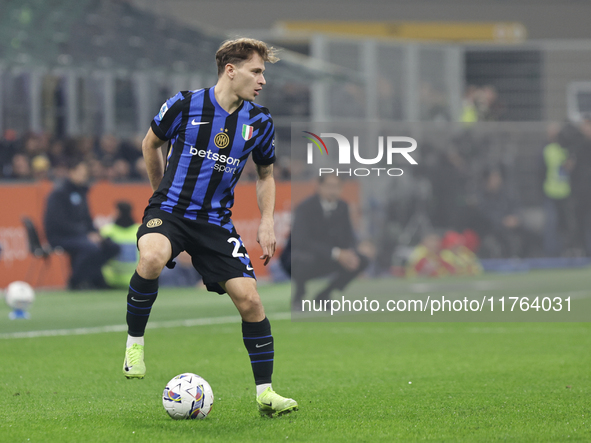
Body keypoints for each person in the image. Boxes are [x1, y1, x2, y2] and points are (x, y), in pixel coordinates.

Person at [121, 38, 297, 417]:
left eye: (263, 72)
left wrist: (266, 221)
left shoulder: (259, 121)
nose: (262, 79)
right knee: (150, 256)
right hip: (170, 210)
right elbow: (150, 144)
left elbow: (265, 175)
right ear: (231, 71)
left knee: (250, 300)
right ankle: (134, 344)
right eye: (256, 71)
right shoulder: (185, 104)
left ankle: (266, 393)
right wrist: (159, 194)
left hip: (215, 222)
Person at [285, 174, 369, 308]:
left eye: (337, 187)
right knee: (302, 260)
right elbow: (301, 241)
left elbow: (348, 235)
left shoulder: (343, 207)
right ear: (319, 187)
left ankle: (324, 295)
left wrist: (350, 253)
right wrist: (335, 253)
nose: (333, 190)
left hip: (331, 257)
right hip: (304, 258)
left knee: (362, 260)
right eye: (329, 186)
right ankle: (299, 294)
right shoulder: (305, 207)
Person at [44, 158, 119, 289]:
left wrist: (97, 234)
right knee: (90, 247)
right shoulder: (59, 193)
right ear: (71, 172)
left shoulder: (82, 192)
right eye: (81, 173)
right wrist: (86, 234)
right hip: (60, 237)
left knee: (111, 246)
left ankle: (95, 280)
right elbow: (58, 223)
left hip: (80, 235)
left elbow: (88, 219)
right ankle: (75, 282)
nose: (84, 176)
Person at [100, 201, 141, 288]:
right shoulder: (140, 230)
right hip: (137, 281)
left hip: (111, 280)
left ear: (117, 212)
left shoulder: (107, 231)